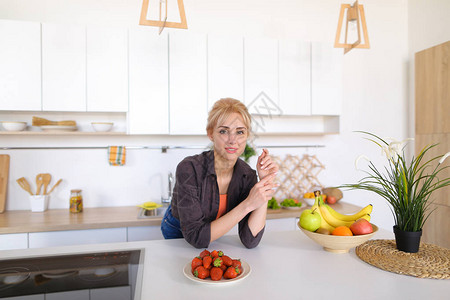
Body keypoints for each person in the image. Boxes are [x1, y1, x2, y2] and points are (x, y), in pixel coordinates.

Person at [161, 98, 279, 249]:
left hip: (211, 233)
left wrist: (265, 182)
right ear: (211, 134)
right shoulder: (189, 169)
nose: (232, 140)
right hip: (178, 234)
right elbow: (196, 237)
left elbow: (250, 240)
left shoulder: (246, 175)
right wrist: (247, 204)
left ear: (247, 135)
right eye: (224, 131)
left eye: (240, 132)